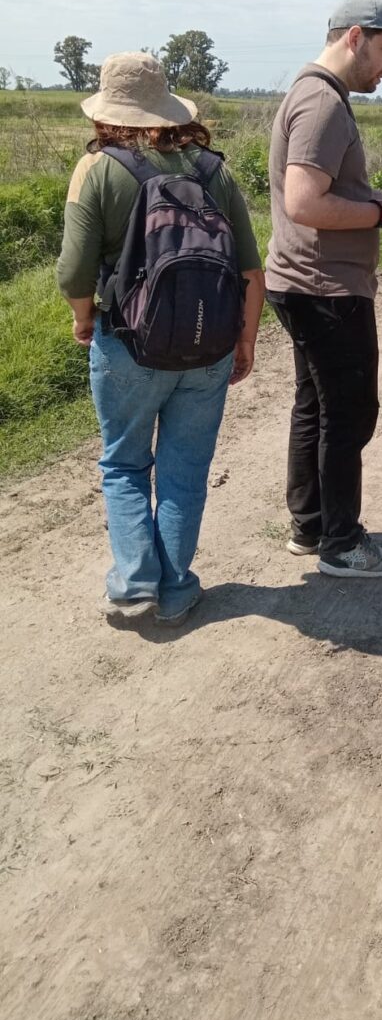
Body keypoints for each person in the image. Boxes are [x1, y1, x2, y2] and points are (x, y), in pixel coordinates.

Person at [56, 52, 265, 627]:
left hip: (128, 343)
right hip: (209, 345)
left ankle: (134, 584)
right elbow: (251, 270)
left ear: (106, 113)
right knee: (185, 469)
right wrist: (245, 340)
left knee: (125, 464)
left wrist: (83, 319)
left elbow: (73, 272)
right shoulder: (213, 170)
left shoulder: (97, 169)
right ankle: (175, 591)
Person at [265, 0, 382, 578]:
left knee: (316, 405)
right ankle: (342, 543)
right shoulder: (322, 103)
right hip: (324, 287)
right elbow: (306, 202)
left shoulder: (315, 94)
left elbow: (325, 192)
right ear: (354, 38)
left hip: (305, 280)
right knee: (349, 412)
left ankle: (311, 525)